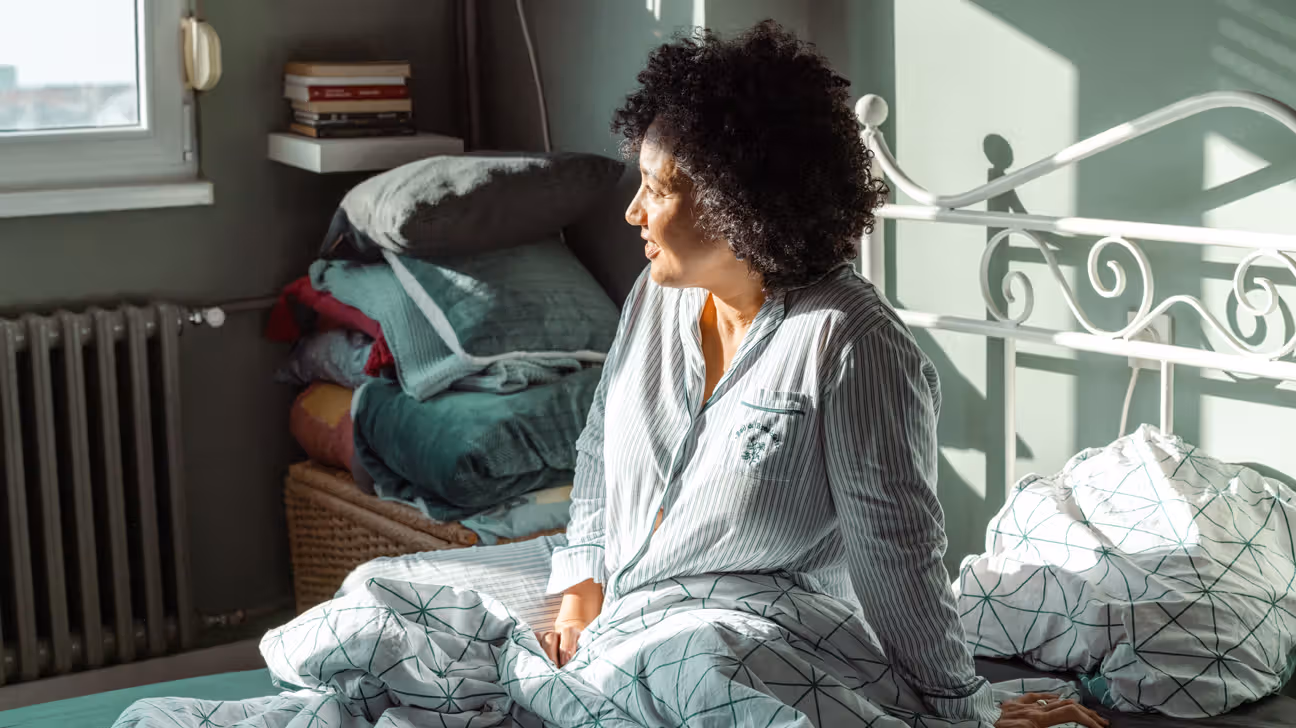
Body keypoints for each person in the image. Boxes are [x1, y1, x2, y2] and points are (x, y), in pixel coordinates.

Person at [536, 20, 1107, 728]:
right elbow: (600, 449)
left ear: (734, 198)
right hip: (623, 613)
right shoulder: (657, 295)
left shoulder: (851, 342)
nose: (633, 211)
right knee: (383, 605)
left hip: (744, 632)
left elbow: (896, 552)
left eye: (658, 188)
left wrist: (964, 706)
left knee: (704, 668)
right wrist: (580, 586)